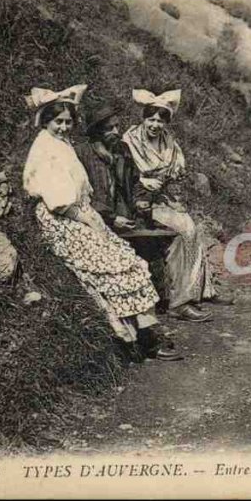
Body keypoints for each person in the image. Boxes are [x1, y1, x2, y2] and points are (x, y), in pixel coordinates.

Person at [22, 85, 180, 361]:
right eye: (57, 121)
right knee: (119, 262)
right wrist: (94, 222)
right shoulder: (47, 149)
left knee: (129, 259)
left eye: (68, 122)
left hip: (79, 213)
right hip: (64, 219)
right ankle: (144, 339)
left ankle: (146, 334)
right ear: (45, 121)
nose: (63, 127)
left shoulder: (62, 144)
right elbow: (60, 201)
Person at [122, 89, 224, 323]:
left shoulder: (168, 142)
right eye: (151, 118)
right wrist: (143, 180)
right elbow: (122, 175)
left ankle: (199, 291)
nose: (155, 125)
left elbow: (178, 169)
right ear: (143, 118)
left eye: (160, 120)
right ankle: (182, 301)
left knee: (191, 228)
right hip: (138, 201)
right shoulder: (129, 140)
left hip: (163, 197)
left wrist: (170, 178)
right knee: (184, 230)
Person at [75, 101, 138, 231]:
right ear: (97, 132)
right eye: (109, 128)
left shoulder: (123, 149)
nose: (116, 132)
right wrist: (111, 218)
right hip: (96, 220)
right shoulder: (82, 153)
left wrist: (142, 200)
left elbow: (135, 181)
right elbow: (81, 196)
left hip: (125, 217)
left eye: (117, 126)